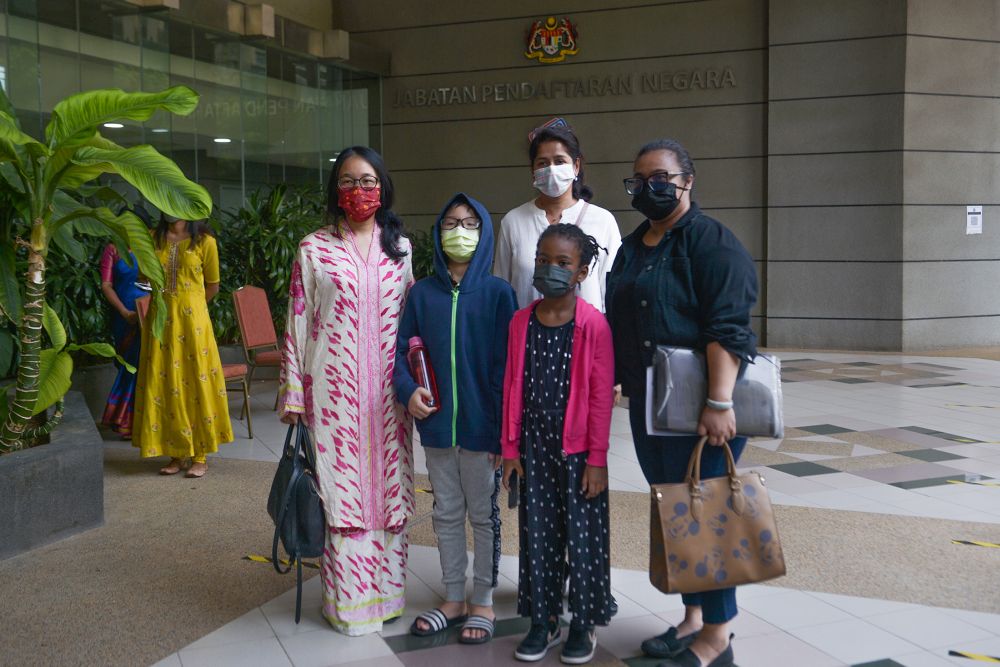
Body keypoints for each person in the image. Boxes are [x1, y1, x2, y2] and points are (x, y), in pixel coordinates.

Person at [606, 139, 758, 667]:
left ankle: (717, 638)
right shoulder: (634, 246)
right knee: (677, 511)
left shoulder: (711, 242)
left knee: (708, 514)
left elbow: (729, 327)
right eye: (639, 178)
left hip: (702, 406)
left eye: (660, 177)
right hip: (652, 403)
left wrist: (719, 401)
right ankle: (693, 618)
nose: (648, 187)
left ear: (687, 181)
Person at [278, 146, 414, 636]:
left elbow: (412, 322)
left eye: (369, 180)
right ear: (337, 189)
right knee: (343, 493)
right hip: (332, 393)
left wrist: (417, 383)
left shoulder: (401, 248)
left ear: (383, 187)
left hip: (388, 396)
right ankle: (350, 606)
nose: (360, 190)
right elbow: (297, 319)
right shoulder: (313, 248)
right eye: (349, 181)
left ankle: (388, 597)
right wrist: (294, 392)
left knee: (388, 490)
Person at [394, 193, 517, 645]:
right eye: (450, 223)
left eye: (469, 224)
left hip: (483, 430)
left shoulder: (499, 294)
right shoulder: (422, 293)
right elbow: (400, 352)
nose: (459, 232)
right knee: (446, 512)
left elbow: (509, 367)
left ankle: (481, 601)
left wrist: (504, 434)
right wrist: (409, 392)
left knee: (483, 515)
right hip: (437, 426)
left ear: (484, 233)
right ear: (437, 231)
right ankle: (452, 598)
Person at [501, 224, 614, 664]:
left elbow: (600, 398)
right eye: (543, 260)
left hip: (580, 451)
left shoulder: (594, 325)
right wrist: (510, 449)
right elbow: (512, 386)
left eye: (563, 263)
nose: (550, 269)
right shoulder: (520, 322)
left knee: (583, 539)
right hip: (534, 446)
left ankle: (583, 623)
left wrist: (597, 459)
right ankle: (543, 619)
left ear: (581, 272)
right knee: (539, 536)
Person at [132, 214, 233, 478]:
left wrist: (191, 306)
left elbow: (213, 286)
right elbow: (143, 276)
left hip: (193, 324)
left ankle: (200, 455)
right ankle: (176, 453)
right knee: (166, 383)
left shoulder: (205, 241)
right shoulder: (152, 238)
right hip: (160, 321)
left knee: (195, 381)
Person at [495, 119, 621, 312]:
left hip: (586, 330)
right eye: (543, 163)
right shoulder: (513, 222)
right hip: (526, 330)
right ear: (533, 171)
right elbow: (502, 289)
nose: (551, 169)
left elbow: (613, 293)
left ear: (576, 166)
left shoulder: (603, 221)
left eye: (560, 161)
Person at [99, 242, 150, 439]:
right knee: (130, 365)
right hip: (124, 314)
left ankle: (145, 421)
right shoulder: (113, 249)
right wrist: (124, 311)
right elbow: (106, 285)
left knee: (146, 362)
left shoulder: (150, 243)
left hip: (148, 310)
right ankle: (126, 421)